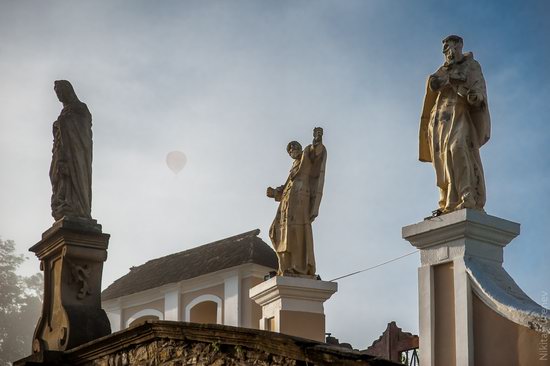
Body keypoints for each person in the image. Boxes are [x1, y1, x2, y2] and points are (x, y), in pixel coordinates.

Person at [419, 35, 490, 215]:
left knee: (458, 148)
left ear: (459, 46)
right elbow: (433, 84)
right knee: (442, 159)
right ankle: (448, 200)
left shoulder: (471, 65)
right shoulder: (443, 70)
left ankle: (467, 196)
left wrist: (475, 96)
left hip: (459, 114)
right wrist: (447, 76)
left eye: (449, 47)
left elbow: (478, 88)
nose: (447, 52)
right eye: (444, 49)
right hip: (440, 118)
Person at [267, 127, 327, 277]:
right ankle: (285, 266)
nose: (292, 150)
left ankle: (298, 266)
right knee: (277, 231)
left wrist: (317, 140)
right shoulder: (293, 167)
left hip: (300, 200)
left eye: (294, 147)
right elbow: (286, 186)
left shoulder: (306, 156)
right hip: (288, 203)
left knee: (297, 231)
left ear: (300, 148)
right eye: (290, 150)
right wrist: (275, 193)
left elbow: (316, 152)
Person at [50, 80, 93, 221]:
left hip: (75, 155)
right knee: (58, 177)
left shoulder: (80, 108)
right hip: (60, 153)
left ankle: (75, 206)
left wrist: (63, 123)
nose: (59, 95)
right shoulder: (65, 112)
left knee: (72, 176)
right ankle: (63, 204)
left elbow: (82, 133)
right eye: (56, 93)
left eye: (60, 91)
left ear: (68, 91)